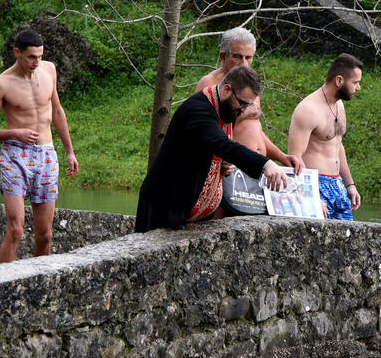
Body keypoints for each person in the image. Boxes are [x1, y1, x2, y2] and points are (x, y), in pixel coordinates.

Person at [135, 65, 292, 232]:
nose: (243, 110)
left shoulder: (226, 108)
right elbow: (223, 145)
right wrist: (265, 165)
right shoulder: (198, 110)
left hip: (193, 215)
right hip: (164, 209)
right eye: (242, 104)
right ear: (226, 90)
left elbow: (212, 148)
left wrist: (223, 164)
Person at [0, 29, 79, 262]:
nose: (37, 62)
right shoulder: (1, 84)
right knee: (16, 229)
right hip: (15, 155)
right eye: (32, 57)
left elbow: (57, 110)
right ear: (17, 53)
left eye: (40, 56)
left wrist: (70, 151)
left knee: (45, 234)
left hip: (46, 154)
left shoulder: (49, 70)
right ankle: (3, 284)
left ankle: (37, 282)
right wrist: (15, 133)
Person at [287, 53, 364, 220]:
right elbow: (294, 157)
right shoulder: (308, 110)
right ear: (339, 81)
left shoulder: (339, 105)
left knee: (347, 241)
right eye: (355, 83)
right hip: (315, 184)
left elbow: (337, 145)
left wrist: (349, 184)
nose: (358, 88)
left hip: (337, 184)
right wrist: (311, 196)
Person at [195, 27, 287, 160]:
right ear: (223, 56)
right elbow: (203, 131)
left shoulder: (249, 85)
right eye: (237, 56)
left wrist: (282, 157)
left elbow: (256, 129)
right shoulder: (210, 84)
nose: (243, 63)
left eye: (248, 57)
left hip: (255, 166)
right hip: (229, 166)